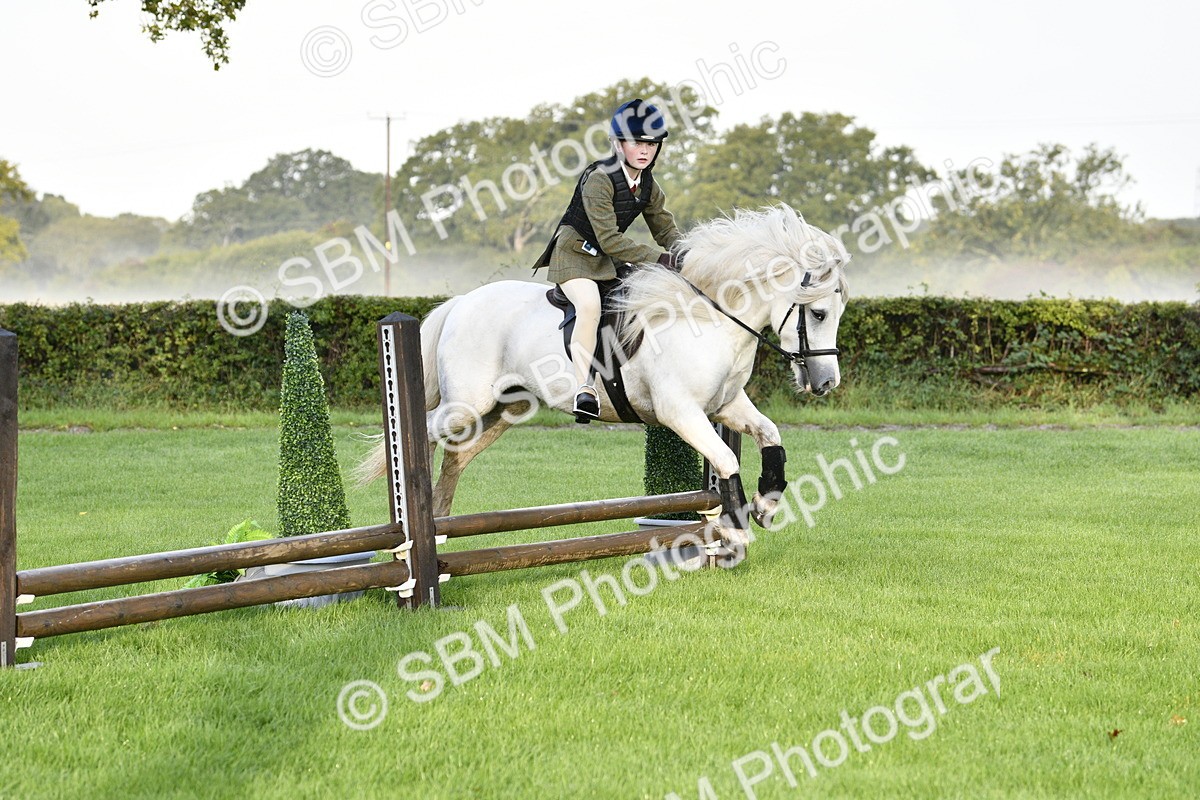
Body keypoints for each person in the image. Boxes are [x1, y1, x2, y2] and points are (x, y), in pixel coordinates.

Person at [532, 98, 682, 421]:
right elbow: (610, 240)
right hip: (574, 255)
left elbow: (665, 228)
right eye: (637, 142)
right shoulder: (599, 178)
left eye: (652, 144)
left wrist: (687, 255)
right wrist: (660, 259)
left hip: (606, 260)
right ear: (617, 143)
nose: (645, 150)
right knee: (589, 306)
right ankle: (583, 387)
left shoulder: (647, 186)